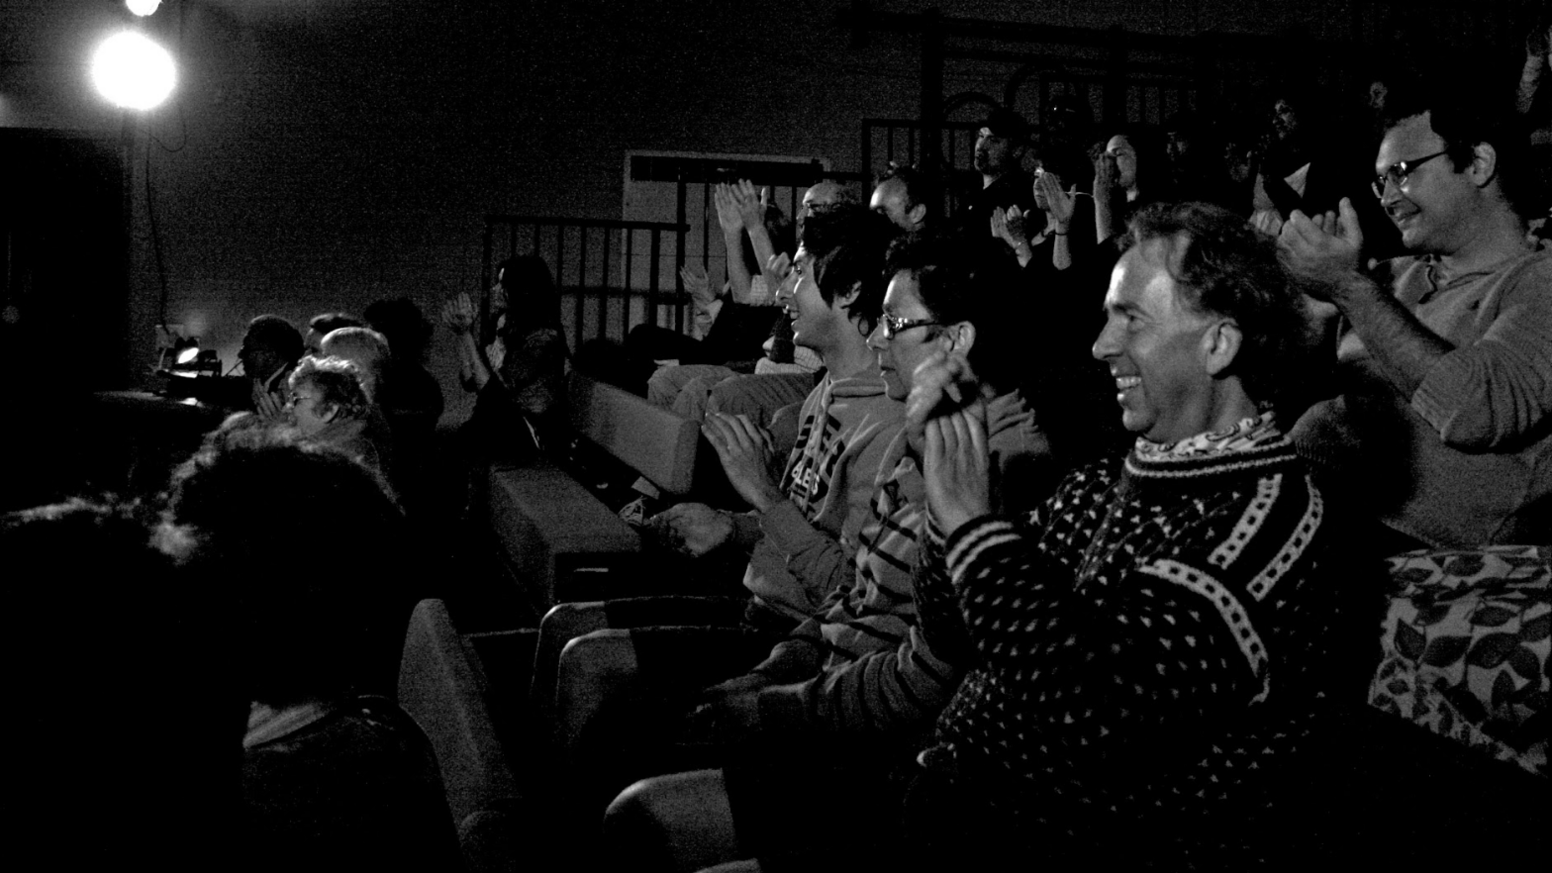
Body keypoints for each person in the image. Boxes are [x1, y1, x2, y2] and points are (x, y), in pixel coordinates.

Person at [895, 201, 1356, 869]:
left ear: (1219, 344)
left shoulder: (1268, 522)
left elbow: (1096, 715)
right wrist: (948, 502)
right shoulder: (1108, 479)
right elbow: (952, 631)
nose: (1099, 345)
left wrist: (975, 525)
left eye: (1130, 319)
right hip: (953, 805)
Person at [601, 232, 1058, 873]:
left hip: (883, 747)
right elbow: (856, 600)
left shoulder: (999, 469)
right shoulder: (921, 437)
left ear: (956, 340)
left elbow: (920, 671)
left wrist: (777, 703)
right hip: (817, 671)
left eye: (894, 322)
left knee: (639, 798)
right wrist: (783, 662)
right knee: (621, 729)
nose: (876, 338)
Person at [1280, 87, 1552, 548]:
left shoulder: (1538, 279)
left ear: (1478, 164)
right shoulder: (1393, 275)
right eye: (1379, 182)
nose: (1387, 200)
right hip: (1318, 511)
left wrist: (1349, 289)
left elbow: (1477, 412)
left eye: (1401, 174)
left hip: (1425, 549)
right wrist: (1315, 318)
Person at [443, 254, 570, 462]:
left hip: (529, 430)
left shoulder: (543, 338)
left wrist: (466, 334)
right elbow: (470, 380)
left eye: (502, 283)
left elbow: (492, 392)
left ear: (523, 290)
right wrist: (460, 334)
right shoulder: (505, 325)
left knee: (461, 447)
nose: (495, 289)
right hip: (503, 421)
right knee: (458, 443)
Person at [284, 355, 393, 487]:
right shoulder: (336, 451)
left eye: (296, 400)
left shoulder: (339, 463)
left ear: (330, 410)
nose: (286, 408)